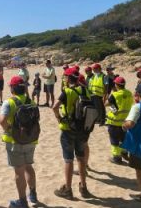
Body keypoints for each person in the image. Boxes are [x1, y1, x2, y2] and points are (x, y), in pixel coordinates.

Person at [0, 76, 38, 207]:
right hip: (30, 140)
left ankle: (22, 201)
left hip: (15, 142)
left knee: (19, 172)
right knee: (29, 166)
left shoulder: (9, 102)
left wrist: (10, 129)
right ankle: (33, 194)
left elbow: (2, 121)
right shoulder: (31, 102)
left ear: (12, 88)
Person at [53, 68, 91, 200]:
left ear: (68, 78)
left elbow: (55, 106)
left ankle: (68, 189)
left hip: (68, 129)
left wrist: (59, 118)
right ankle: (83, 187)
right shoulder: (85, 90)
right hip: (82, 129)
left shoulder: (67, 92)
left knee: (68, 159)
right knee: (80, 158)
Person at [105, 77, 134, 164]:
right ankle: (124, 153)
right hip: (126, 121)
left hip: (115, 121)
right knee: (124, 139)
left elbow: (107, 104)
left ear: (116, 85)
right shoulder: (129, 93)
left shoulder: (115, 94)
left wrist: (114, 110)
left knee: (114, 140)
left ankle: (116, 158)